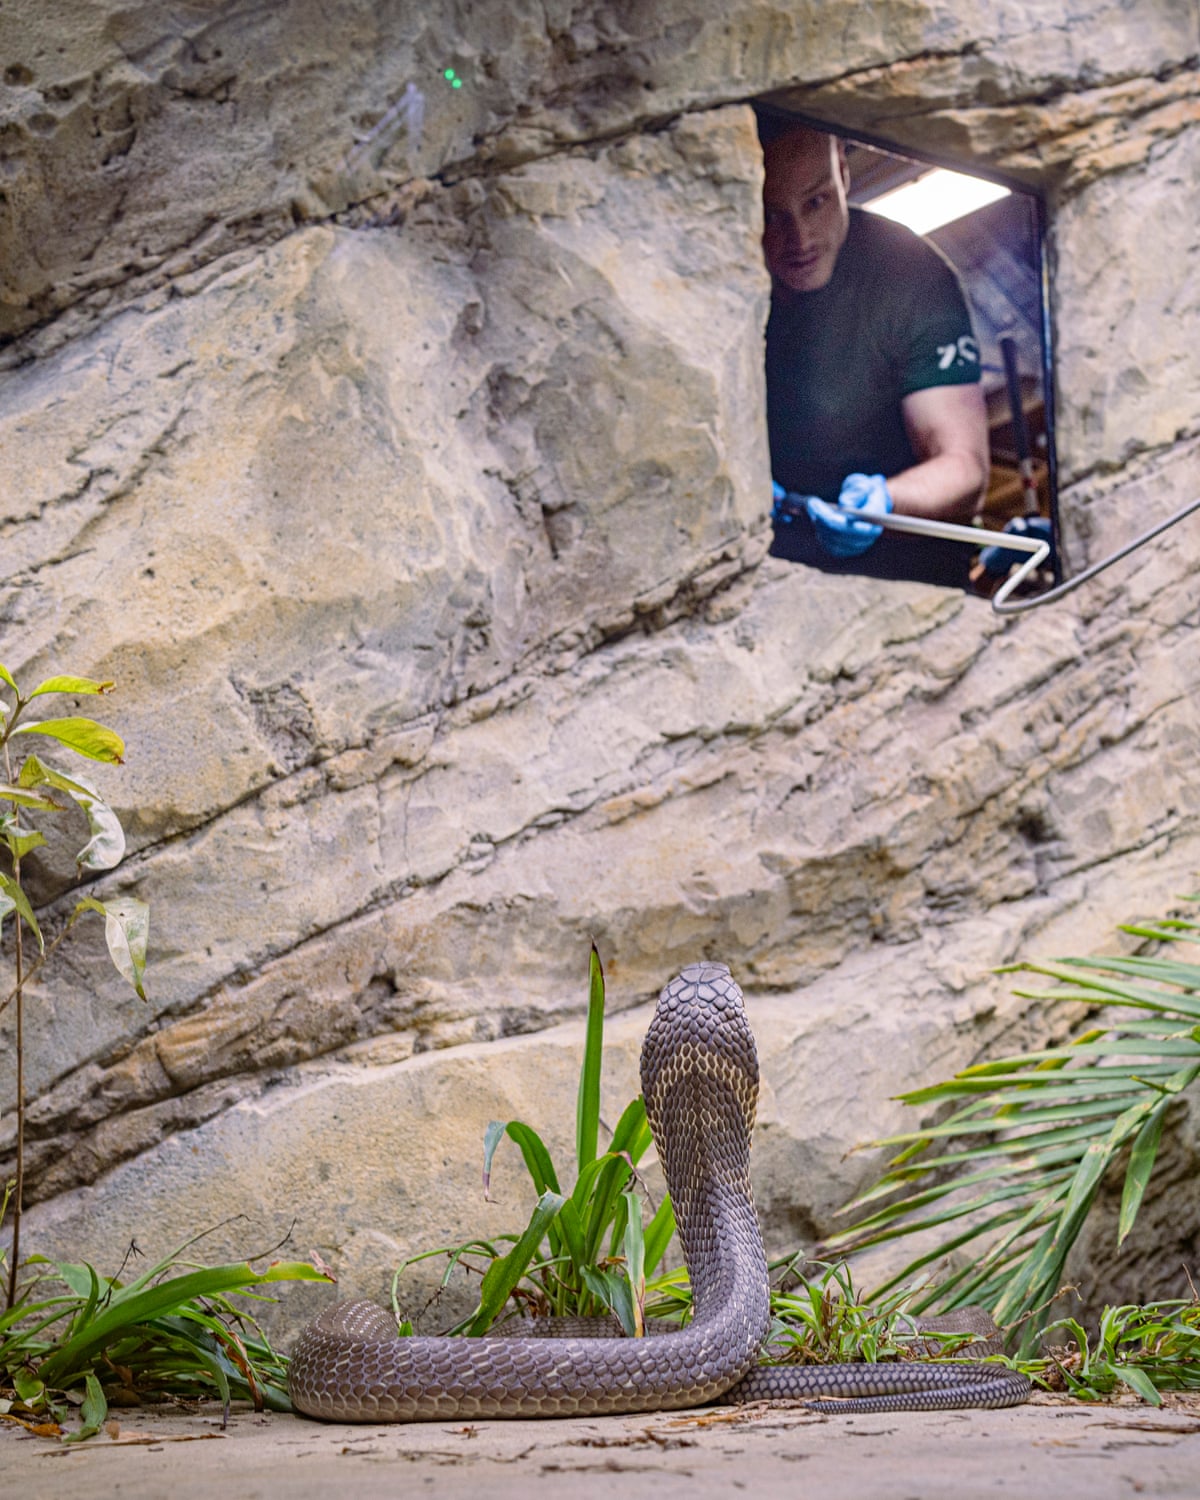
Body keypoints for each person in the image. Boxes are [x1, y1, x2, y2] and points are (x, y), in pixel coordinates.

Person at [760, 118, 990, 588]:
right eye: (771, 216)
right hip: (776, 580)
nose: (799, 238)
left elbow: (965, 467)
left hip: (909, 578)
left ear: (843, 173)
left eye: (815, 201)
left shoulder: (910, 276)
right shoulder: (715, 286)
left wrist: (887, 501)